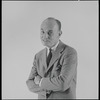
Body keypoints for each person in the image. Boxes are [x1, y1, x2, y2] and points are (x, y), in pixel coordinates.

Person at [26, 17, 78, 99]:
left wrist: (40, 81)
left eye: (50, 32)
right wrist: (48, 89)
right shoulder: (38, 56)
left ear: (59, 33)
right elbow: (29, 82)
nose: (45, 36)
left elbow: (63, 83)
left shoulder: (70, 52)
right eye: (42, 32)